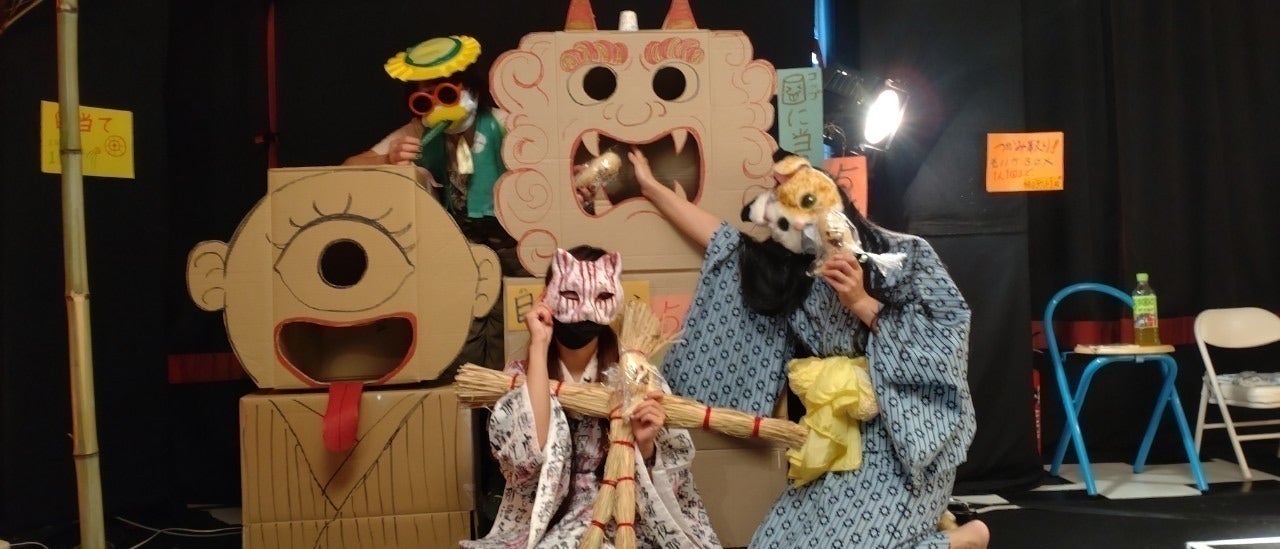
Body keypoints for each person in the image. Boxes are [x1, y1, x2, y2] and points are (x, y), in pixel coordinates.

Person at [628, 148, 990, 549]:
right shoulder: (794, 275)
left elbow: (945, 336)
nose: (803, 227)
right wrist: (653, 189)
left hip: (908, 436)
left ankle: (968, 537)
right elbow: (724, 243)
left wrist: (862, 302)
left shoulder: (904, 256)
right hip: (838, 437)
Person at [461, 245, 721, 549]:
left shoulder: (637, 374)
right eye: (571, 295)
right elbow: (527, 461)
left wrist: (646, 445)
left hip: (627, 512)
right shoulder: (521, 375)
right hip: (554, 516)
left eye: (600, 296)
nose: (585, 309)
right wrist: (538, 345)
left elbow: (675, 475)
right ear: (547, 296)